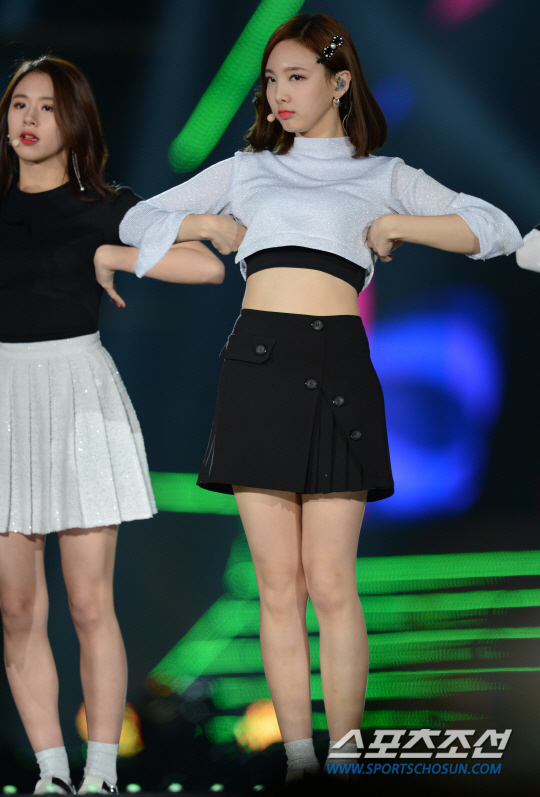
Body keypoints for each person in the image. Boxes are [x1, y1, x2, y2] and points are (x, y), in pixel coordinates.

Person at [116, 13, 522, 783]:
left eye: (296, 77)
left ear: (339, 82)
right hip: (258, 365)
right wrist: (204, 223)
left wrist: (403, 223)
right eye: (271, 80)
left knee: (332, 582)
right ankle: (298, 758)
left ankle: (345, 754)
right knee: (277, 583)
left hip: (338, 367)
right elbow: (137, 216)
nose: (279, 93)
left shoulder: (383, 174)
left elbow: (490, 226)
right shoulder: (246, 170)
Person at [0, 56, 224, 796]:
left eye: (46, 107)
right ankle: (51, 771)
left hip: (78, 395)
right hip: (5, 398)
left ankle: (100, 771)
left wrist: (110, 252)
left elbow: (205, 266)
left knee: (90, 601)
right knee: (17, 608)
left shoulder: (106, 204)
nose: (29, 119)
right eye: (19, 104)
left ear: (74, 122)